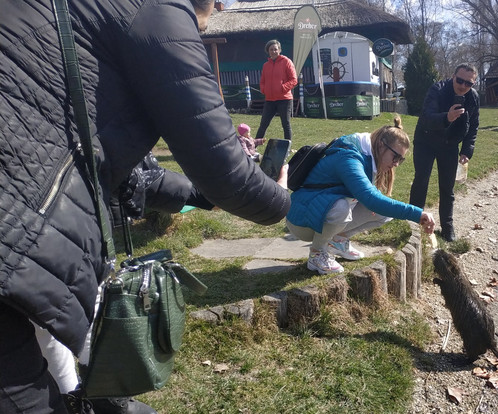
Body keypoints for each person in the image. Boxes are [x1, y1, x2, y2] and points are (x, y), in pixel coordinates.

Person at [0, 0, 290, 413]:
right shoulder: (155, 9)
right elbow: (226, 169)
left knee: (58, 360)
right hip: (16, 242)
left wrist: (200, 197)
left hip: (23, 256)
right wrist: (283, 200)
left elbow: (136, 176)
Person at [286, 116, 436, 274]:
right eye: (395, 156)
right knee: (341, 209)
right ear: (381, 145)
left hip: (318, 212)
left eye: (401, 159)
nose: (397, 163)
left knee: (383, 213)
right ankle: (317, 255)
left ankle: (338, 241)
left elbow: (374, 201)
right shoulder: (349, 157)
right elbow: (370, 198)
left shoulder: (365, 154)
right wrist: (417, 214)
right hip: (300, 221)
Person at [409, 64, 480, 242]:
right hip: (425, 140)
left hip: (449, 145)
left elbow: (474, 126)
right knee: (421, 181)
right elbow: (426, 117)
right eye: (460, 80)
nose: (463, 86)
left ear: (474, 83)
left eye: (468, 83)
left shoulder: (473, 97)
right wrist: (446, 118)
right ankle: (413, 223)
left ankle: (447, 228)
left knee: (447, 188)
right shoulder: (438, 89)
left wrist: (466, 150)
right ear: (453, 76)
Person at [255, 40, 298, 142]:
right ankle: (253, 147)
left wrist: (283, 88)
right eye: (271, 49)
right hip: (270, 99)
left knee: (285, 124)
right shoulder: (266, 65)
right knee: (263, 124)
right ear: (268, 51)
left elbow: (294, 80)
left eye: (275, 49)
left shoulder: (286, 62)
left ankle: (287, 147)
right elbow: (262, 81)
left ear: (279, 50)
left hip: (284, 99)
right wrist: (263, 89)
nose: (273, 51)